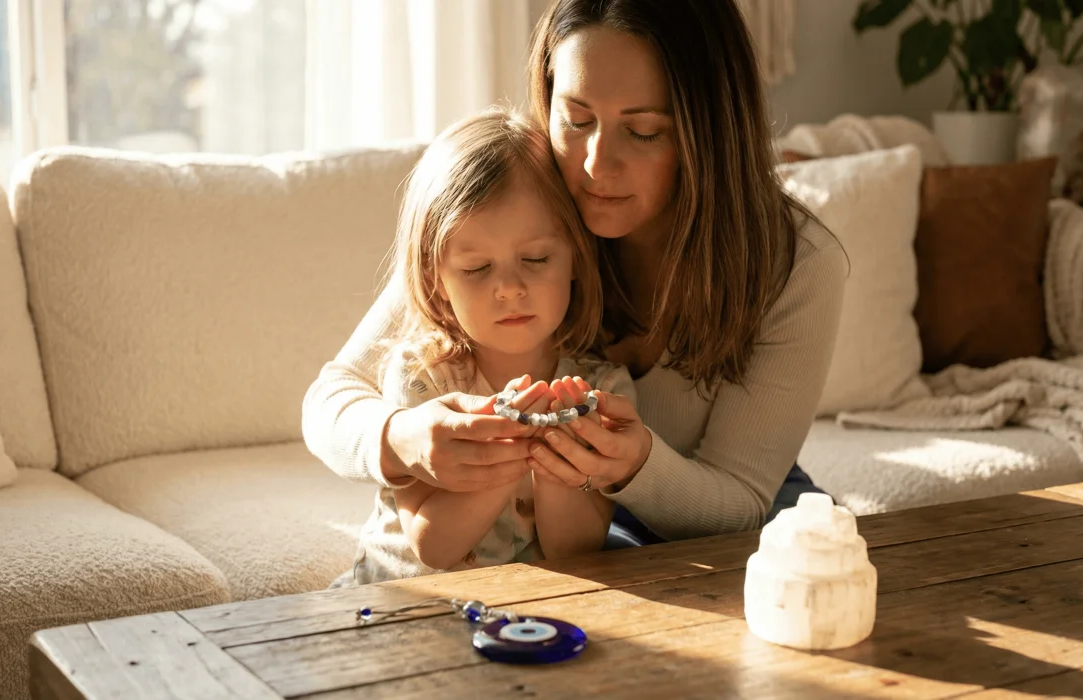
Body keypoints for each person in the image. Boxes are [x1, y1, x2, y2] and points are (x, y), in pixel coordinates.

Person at [302, 0, 847, 548]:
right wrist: (401, 437)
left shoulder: (796, 262)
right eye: (577, 119)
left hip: (719, 509)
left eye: (643, 131)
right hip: (591, 523)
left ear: (707, 134)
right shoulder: (520, 206)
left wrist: (633, 465)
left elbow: (740, 503)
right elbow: (332, 396)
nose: (594, 165)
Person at [332, 108, 637, 586]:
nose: (510, 288)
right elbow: (433, 547)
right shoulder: (423, 377)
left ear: (576, 258)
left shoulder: (602, 390)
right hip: (404, 601)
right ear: (437, 279)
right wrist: (512, 440)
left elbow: (576, 553)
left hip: (525, 612)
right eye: (477, 269)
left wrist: (555, 452)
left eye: (535, 258)